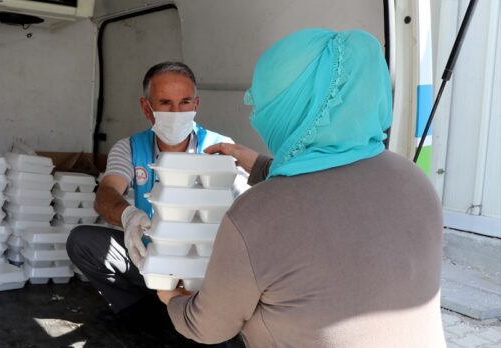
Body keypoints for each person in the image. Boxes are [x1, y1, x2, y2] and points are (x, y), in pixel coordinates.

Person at [156, 29, 446, 347]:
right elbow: (332, 200)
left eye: (267, 104)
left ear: (292, 108)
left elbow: (208, 328)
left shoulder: (257, 214)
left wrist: (171, 297)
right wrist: (258, 164)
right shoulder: (415, 180)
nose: (257, 116)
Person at [66, 61, 244, 321]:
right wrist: (129, 217)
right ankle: (142, 310)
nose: (176, 111)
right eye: (165, 103)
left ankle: (203, 314)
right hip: (148, 257)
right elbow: (106, 193)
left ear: (196, 105)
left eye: (185, 102)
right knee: (82, 241)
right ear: (146, 108)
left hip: (206, 266)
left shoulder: (220, 148)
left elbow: (247, 205)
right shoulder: (130, 148)